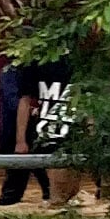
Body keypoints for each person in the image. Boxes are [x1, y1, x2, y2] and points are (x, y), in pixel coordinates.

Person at [16, 55, 81, 207]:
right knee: (59, 189)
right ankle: (55, 201)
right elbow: (24, 101)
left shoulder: (83, 61)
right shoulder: (34, 63)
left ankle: (59, 203)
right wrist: (20, 140)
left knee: (71, 189)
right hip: (49, 130)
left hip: (74, 129)